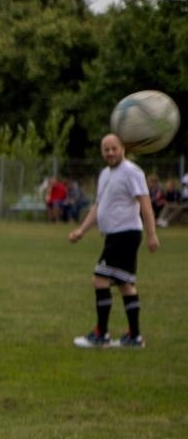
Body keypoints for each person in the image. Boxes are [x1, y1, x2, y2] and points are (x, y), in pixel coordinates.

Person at [70, 134, 160, 348]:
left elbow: (145, 204)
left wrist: (152, 234)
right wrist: (82, 230)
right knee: (125, 284)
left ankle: (101, 335)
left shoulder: (132, 172)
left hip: (126, 234)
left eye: (114, 148)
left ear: (123, 149)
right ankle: (134, 337)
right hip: (114, 236)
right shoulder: (104, 174)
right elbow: (98, 206)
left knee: (100, 279)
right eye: (106, 149)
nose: (110, 153)